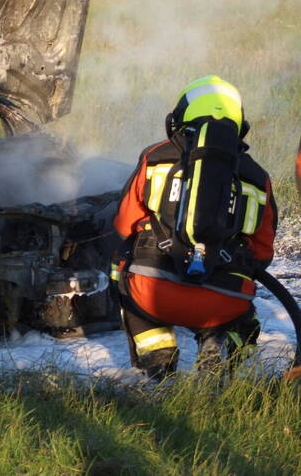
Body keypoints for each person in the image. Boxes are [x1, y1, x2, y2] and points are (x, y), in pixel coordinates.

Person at [112, 76, 277, 379]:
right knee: (241, 313)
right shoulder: (257, 175)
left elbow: (124, 225)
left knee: (119, 264)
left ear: (180, 116)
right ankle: (221, 340)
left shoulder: (155, 157)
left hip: (152, 291)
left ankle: (157, 354)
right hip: (223, 300)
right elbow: (264, 252)